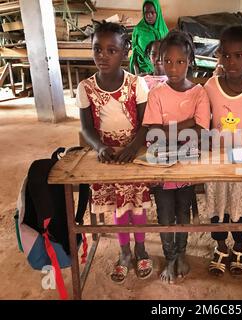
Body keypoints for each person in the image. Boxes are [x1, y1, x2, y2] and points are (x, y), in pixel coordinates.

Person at [76, 21, 153, 284]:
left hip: (135, 154)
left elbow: (146, 124)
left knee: (137, 205)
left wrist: (133, 147)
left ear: (125, 52)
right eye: (97, 49)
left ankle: (141, 249)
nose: (102, 56)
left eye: (111, 50)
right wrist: (99, 146)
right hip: (107, 157)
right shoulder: (85, 87)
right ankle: (124, 253)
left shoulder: (137, 84)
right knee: (119, 208)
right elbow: (86, 128)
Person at [143, 31, 211, 284]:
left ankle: (181, 253)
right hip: (161, 168)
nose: (173, 68)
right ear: (160, 60)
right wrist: (188, 122)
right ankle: (169, 256)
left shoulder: (199, 93)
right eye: (167, 61)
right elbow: (152, 134)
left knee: (184, 211)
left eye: (180, 62)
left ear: (190, 60)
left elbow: (202, 133)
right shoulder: (157, 93)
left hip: (187, 167)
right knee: (164, 213)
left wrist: (170, 129)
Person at [204, 25, 242, 277]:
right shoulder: (210, 86)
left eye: (239, 55)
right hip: (217, 160)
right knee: (218, 207)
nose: (231, 62)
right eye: (226, 55)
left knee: (240, 209)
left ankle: (239, 247)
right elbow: (205, 122)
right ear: (219, 55)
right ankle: (220, 246)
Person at [130, 0, 169, 75]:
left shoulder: (163, 30)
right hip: (142, 69)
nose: (149, 15)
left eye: (152, 12)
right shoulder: (138, 29)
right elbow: (134, 51)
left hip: (161, 70)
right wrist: (137, 73)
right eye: (146, 13)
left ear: (158, 13)